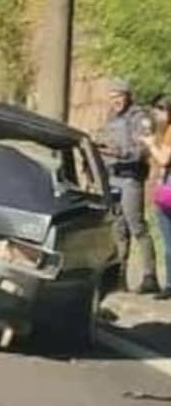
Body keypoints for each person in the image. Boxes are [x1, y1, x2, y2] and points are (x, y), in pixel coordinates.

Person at [98, 78, 159, 294]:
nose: (115, 101)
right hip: (113, 177)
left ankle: (150, 276)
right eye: (112, 97)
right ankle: (119, 278)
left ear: (128, 96)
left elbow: (142, 152)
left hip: (131, 177)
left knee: (137, 226)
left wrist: (118, 153)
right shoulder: (110, 117)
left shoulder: (140, 118)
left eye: (119, 96)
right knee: (118, 228)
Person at [138, 95, 171, 299]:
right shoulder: (163, 132)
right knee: (168, 243)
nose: (157, 115)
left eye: (160, 110)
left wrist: (151, 145)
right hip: (164, 192)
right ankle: (169, 285)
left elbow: (164, 159)